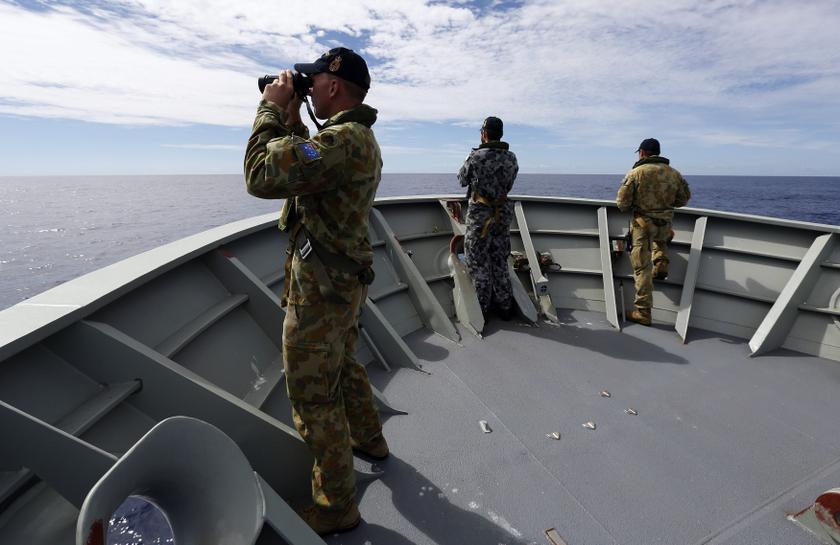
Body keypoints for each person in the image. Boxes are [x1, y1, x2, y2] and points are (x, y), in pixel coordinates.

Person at [243, 47, 386, 535]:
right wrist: (291, 117)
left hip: (321, 294)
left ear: (332, 85)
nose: (305, 88)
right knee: (344, 363)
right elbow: (309, 169)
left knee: (312, 398)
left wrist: (268, 108)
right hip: (341, 282)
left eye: (311, 81)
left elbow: (262, 176)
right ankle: (370, 438)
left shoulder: (341, 140)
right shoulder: (352, 138)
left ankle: (336, 505)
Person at [616, 138, 691, 326]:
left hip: (643, 225)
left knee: (641, 267)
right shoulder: (675, 174)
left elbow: (622, 204)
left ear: (642, 153)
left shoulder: (636, 173)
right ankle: (661, 263)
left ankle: (643, 312)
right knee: (662, 240)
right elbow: (683, 200)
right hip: (664, 223)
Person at [457, 117, 519, 321]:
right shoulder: (512, 158)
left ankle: (482, 310)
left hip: (480, 216)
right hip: (502, 214)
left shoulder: (476, 156)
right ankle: (505, 307)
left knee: (478, 260)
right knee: (500, 259)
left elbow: (462, 179)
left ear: (484, 133)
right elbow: (508, 184)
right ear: (500, 134)